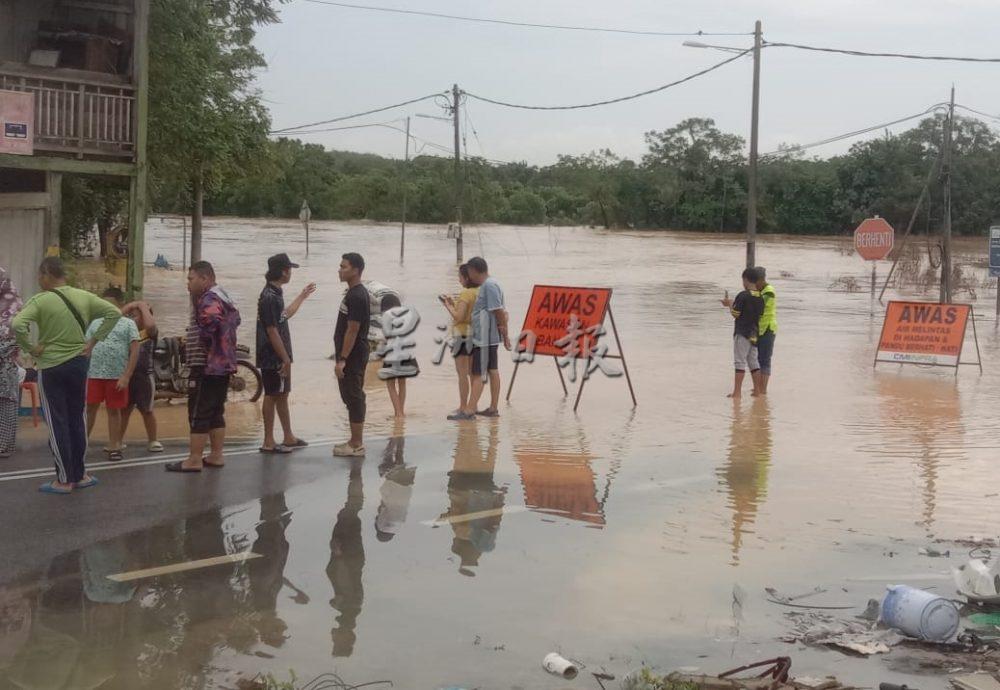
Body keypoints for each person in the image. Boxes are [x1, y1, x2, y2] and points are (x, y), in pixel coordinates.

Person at [12, 257, 123, 494]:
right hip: (79, 364)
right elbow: (114, 312)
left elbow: (18, 324)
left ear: (45, 275)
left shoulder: (41, 300)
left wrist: (31, 348)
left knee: (57, 422)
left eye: (39, 276)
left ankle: (63, 480)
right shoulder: (83, 296)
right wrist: (93, 341)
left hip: (51, 367)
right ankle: (80, 474)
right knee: (77, 419)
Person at [166, 261, 241, 473]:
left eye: (190, 279)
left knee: (198, 411)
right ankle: (216, 455)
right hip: (223, 365)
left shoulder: (208, 298)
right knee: (216, 410)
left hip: (206, 366)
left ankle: (194, 459)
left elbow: (212, 322)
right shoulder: (224, 296)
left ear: (205, 279)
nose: (187, 284)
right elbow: (235, 320)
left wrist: (208, 344)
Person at [256, 253, 316, 454]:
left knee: (282, 393)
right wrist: (285, 358)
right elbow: (272, 330)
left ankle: (288, 436)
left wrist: (302, 296)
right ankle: (268, 441)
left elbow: (284, 316)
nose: (290, 273)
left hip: (279, 354)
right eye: (289, 269)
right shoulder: (269, 298)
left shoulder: (275, 294)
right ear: (283, 271)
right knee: (272, 394)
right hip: (273, 355)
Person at [450, 256, 510, 421]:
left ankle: (469, 410)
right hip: (488, 336)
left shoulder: (489, 286)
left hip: (484, 337)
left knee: (478, 373)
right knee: (491, 370)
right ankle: (492, 407)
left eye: (468, 272)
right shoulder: (492, 284)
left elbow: (499, 311)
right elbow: (503, 312)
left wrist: (505, 335)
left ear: (474, 271)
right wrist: (503, 333)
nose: (468, 276)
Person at [84, 287, 140, 462]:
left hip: (116, 375)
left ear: (121, 304)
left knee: (114, 410)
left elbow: (135, 350)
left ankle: (114, 445)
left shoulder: (128, 324)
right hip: (94, 374)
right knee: (89, 409)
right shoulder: (95, 324)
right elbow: (86, 348)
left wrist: (126, 376)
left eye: (111, 305)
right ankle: (82, 442)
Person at [333, 253, 370, 456]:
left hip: (353, 354)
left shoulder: (357, 295)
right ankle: (353, 440)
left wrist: (343, 359)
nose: (340, 270)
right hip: (350, 352)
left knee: (354, 396)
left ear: (355, 270)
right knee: (349, 395)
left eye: (344, 266)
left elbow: (353, 329)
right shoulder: (352, 293)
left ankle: (357, 444)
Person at [119, 299, 163, 452]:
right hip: (127, 377)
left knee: (147, 410)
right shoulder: (127, 333)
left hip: (145, 377)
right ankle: (117, 440)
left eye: (137, 316)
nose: (133, 319)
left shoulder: (149, 333)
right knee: (124, 410)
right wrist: (131, 305)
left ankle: (153, 440)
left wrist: (143, 307)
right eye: (132, 316)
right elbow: (114, 319)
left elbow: (150, 325)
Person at [440, 263, 478, 416]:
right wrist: (455, 304)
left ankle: (463, 406)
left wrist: (447, 306)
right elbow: (469, 313)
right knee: (471, 373)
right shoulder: (479, 292)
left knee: (462, 374)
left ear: (466, 277)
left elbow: (459, 317)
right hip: (474, 334)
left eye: (460, 276)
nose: (459, 279)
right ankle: (472, 404)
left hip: (461, 335)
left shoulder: (466, 294)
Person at [721, 267, 764, 398]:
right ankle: (757, 391)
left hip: (742, 332)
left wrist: (730, 304)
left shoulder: (743, 295)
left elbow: (735, 314)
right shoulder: (761, 297)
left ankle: (737, 392)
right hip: (754, 333)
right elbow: (760, 315)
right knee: (753, 362)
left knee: (739, 362)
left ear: (745, 280)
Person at [376, 294, 419, 418]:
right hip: (408, 353)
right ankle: (401, 411)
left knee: (390, 384)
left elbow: (386, 335)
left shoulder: (387, 315)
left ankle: (397, 413)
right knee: (402, 383)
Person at [0, 268, 23, 459]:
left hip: (5, 368)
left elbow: (13, 338)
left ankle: (4, 445)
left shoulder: (13, 309)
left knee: (5, 404)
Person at [754, 267, 777, 395]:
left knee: (765, 359)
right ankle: (758, 387)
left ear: (762, 279)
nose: (755, 284)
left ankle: (763, 390)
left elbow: (758, 306)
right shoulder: (760, 290)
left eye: (756, 281)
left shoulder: (769, 291)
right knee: (756, 359)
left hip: (768, 328)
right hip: (758, 329)